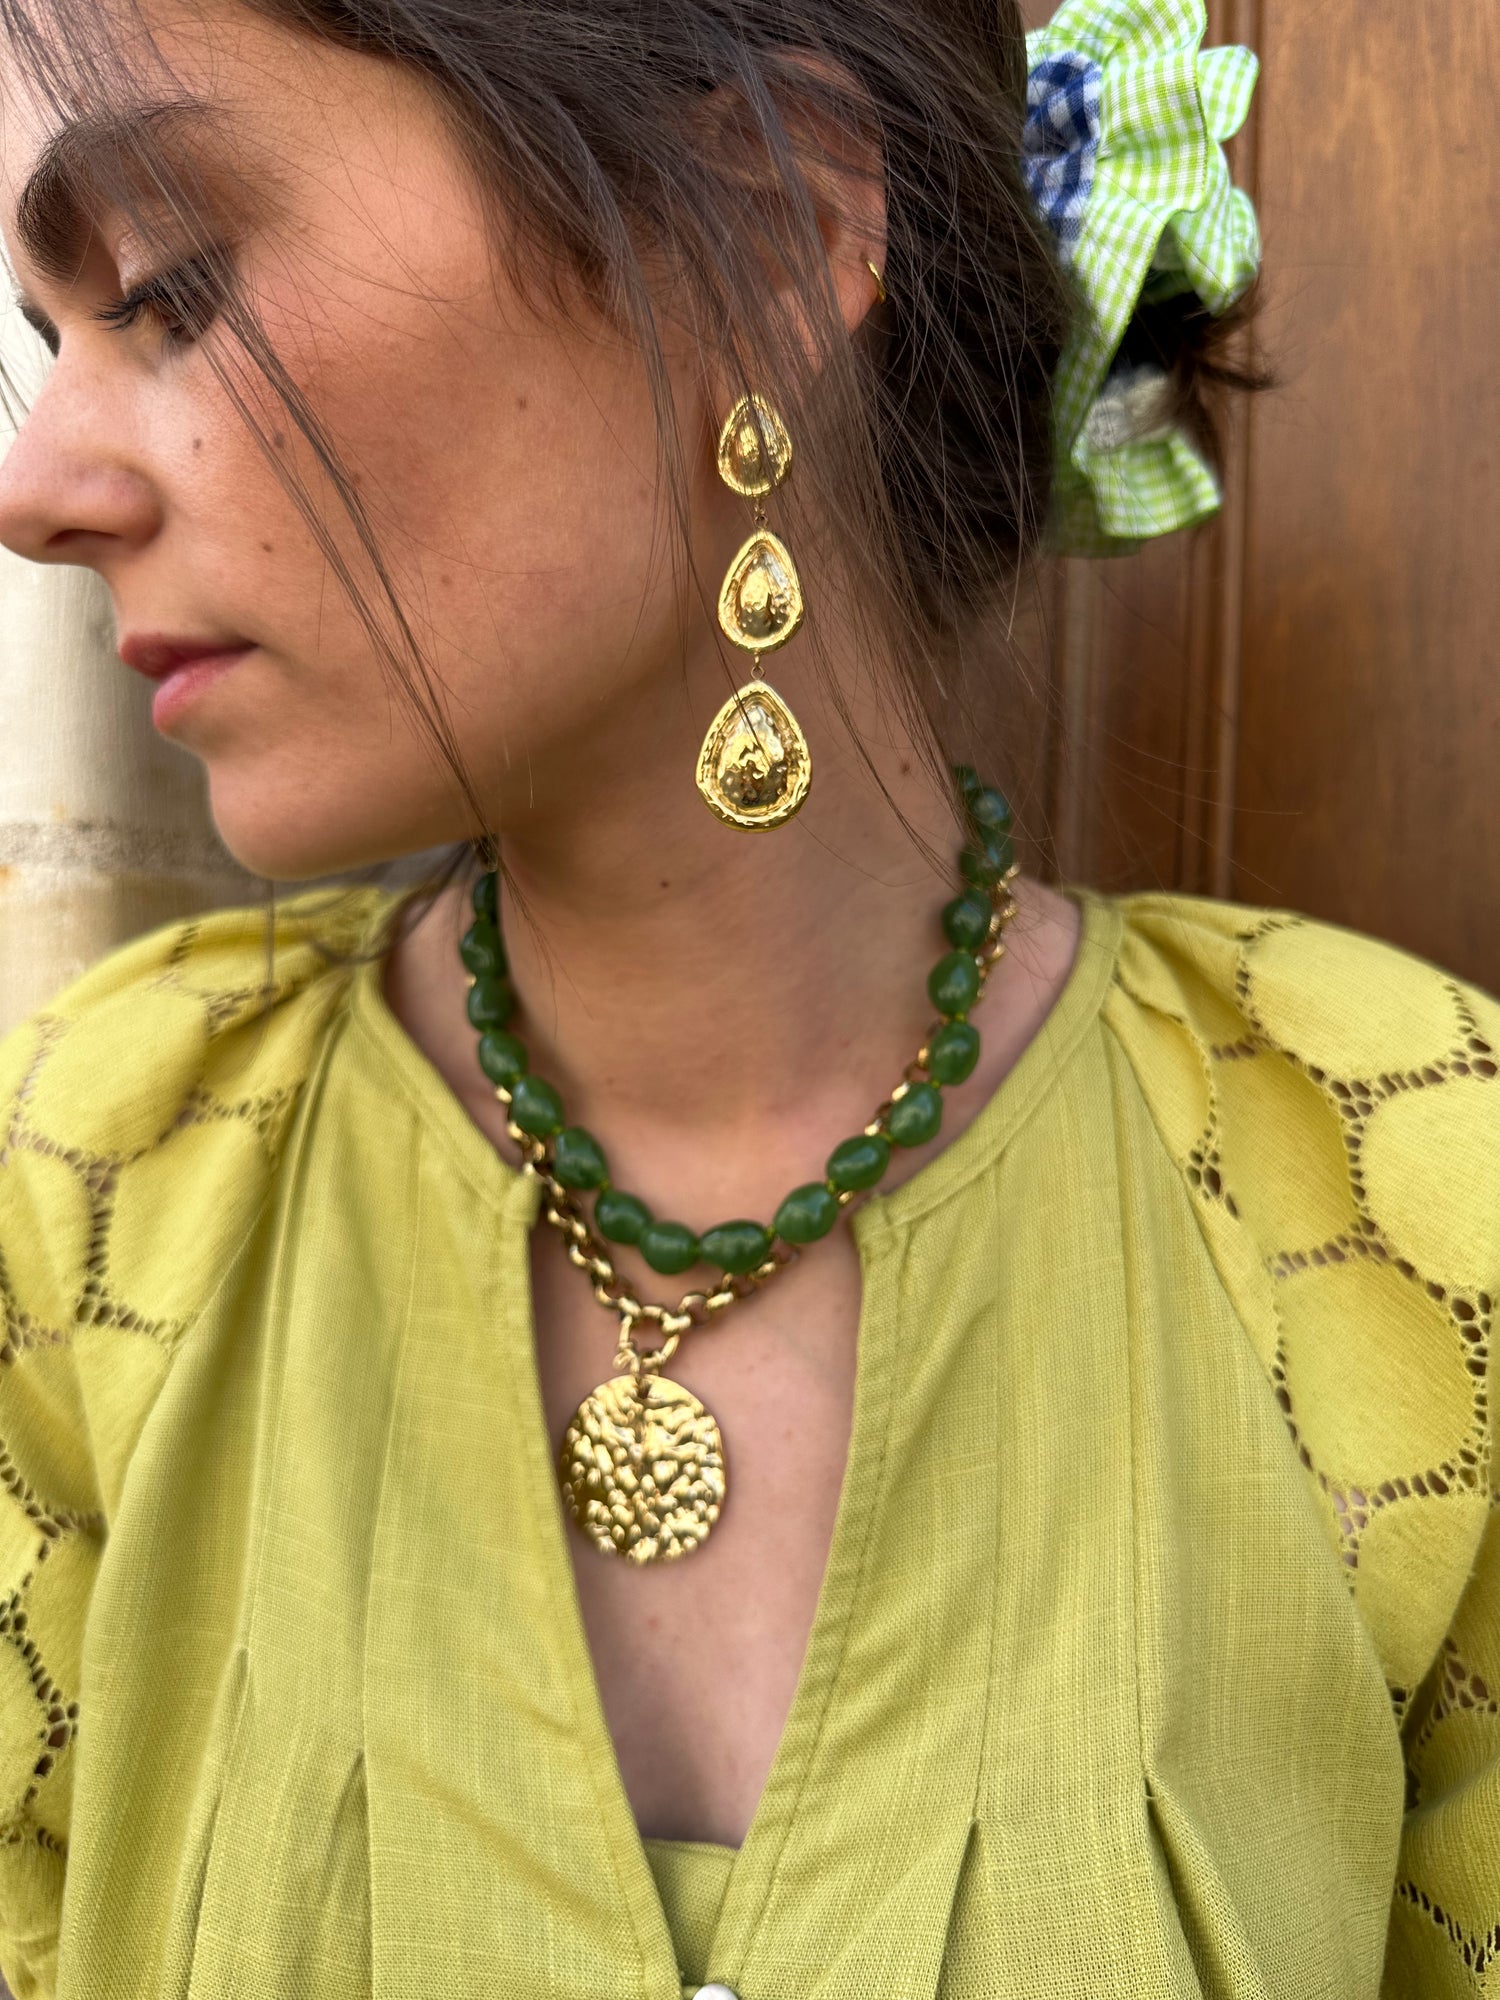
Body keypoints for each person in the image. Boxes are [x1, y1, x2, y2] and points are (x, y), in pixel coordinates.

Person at [0, 0, 1494, 1992]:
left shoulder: (1421, 1210)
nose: (37, 484)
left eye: (174, 289)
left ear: (766, 230)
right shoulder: (92, 1188)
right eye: (50, 341)